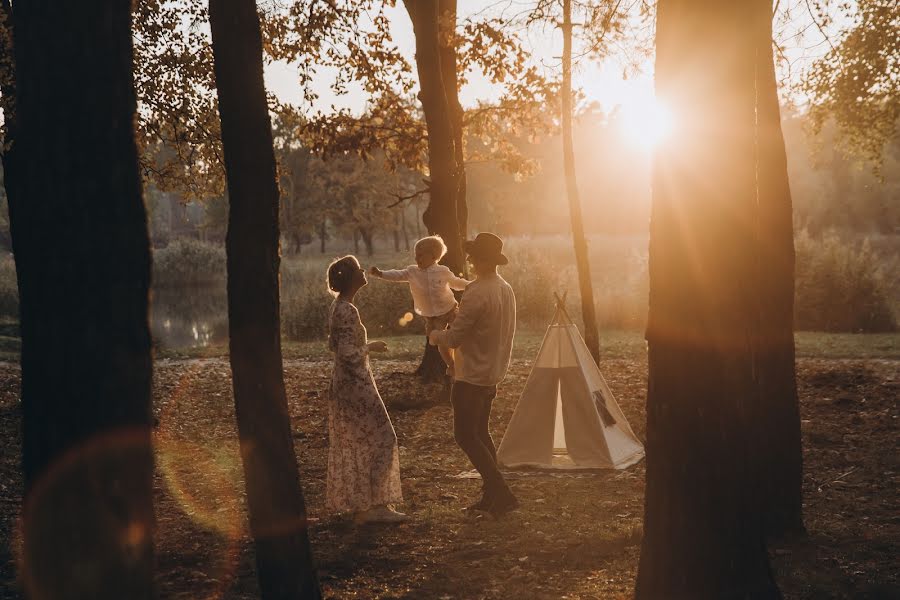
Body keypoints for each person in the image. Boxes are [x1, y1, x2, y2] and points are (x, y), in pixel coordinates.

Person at [428, 233, 518, 517]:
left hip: (471, 375)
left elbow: (454, 339)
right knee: (480, 432)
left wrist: (434, 334)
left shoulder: (477, 291)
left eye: (473, 256)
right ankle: (492, 496)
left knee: (465, 435)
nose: (469, 260)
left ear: (480, 260)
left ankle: (501, 492)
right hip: (491, 372)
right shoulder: (505, 289)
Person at [325, 255, 407, 524]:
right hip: (355, 385)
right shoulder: (347, 310)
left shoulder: (340, 307)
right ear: (351, 278)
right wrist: (371, 347)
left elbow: (333, 345)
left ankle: (366, 505)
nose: (364, 271)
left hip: (347, 383)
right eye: (359, 269)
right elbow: (347, 353)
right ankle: (376, 505)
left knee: (362, 441)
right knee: (384, 437)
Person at [370, 235, 470, 377]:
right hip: (432, 317)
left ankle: (465, 359)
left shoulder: (442, 271)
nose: (417, 259)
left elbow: (456, 282)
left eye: (421, 255)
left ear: (434, 256)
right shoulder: (412, 272)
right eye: (416, 255)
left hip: (449, 309)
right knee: (440, 341)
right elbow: (397, 275)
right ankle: (451, 364)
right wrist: (381, 274)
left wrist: (471, 285)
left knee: (461, 333)